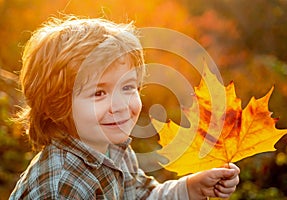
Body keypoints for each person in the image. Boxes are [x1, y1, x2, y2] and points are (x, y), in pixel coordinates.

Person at [9, 15, 239, 200]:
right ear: (54, 105)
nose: (119, 106)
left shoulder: (113, 148)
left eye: (128, 87)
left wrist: (190, 189)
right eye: (99, 93)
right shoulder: (62, 187)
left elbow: (142, 194)